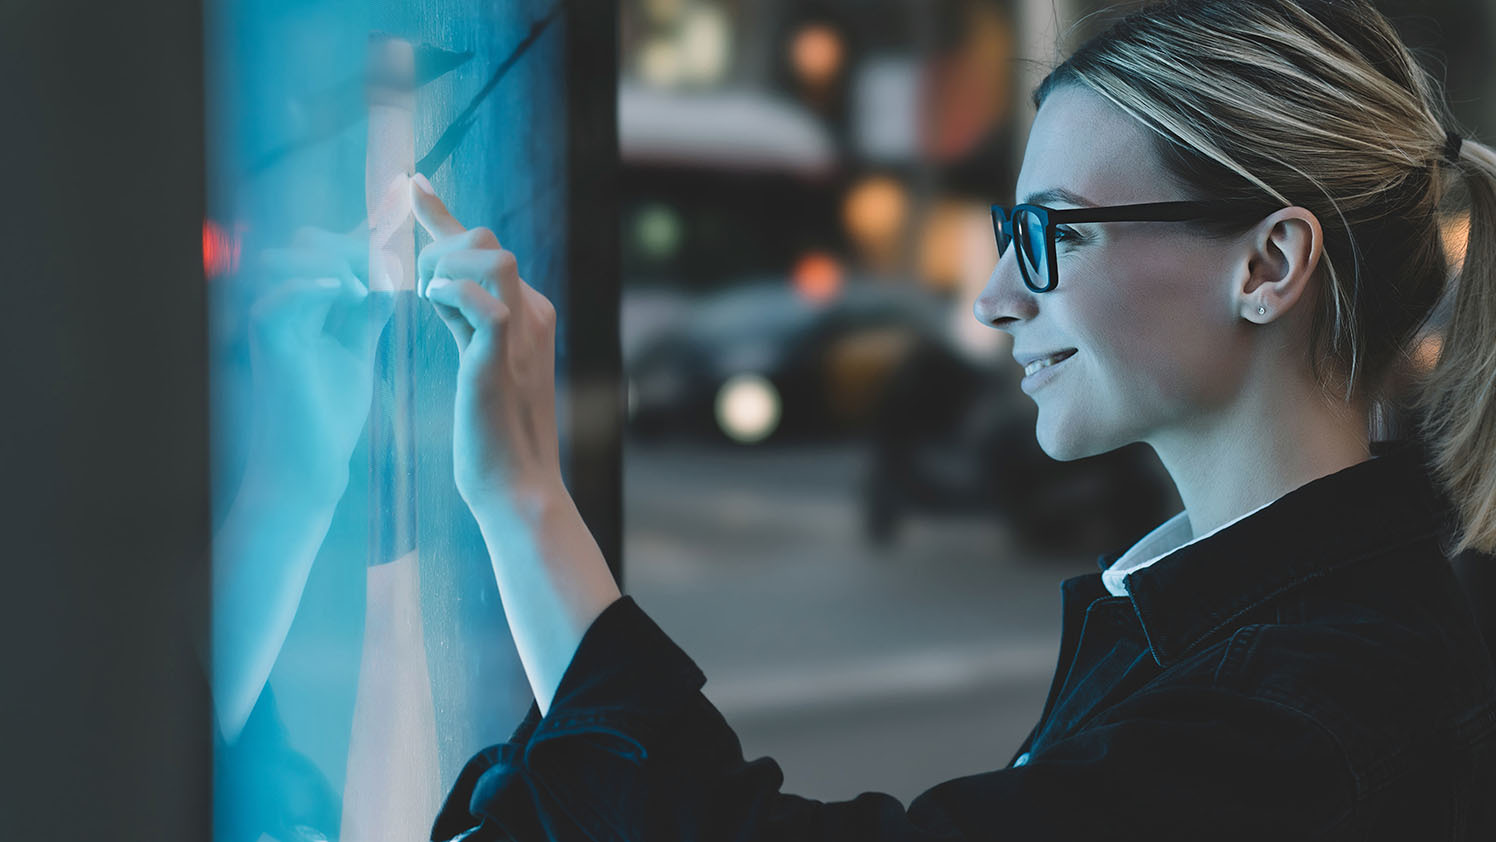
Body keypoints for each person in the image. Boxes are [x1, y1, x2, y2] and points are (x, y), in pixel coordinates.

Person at [413, 0, 1496, 838]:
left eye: (1050, 236)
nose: (991, 297)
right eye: (1004, 231)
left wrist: (521, 499)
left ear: (1267, 265)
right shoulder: (1270, 622)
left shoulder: (1310, 709)